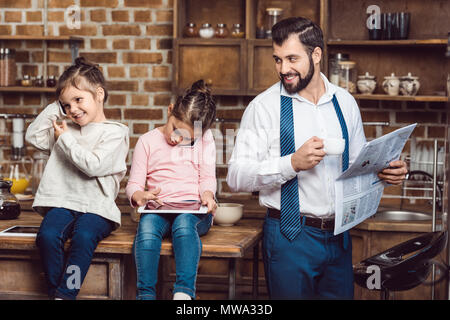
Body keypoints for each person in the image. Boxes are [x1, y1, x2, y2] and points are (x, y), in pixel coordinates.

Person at [226, 17, 408, 299]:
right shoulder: (263, 107)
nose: (283, 69)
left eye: (292, 59)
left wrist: (386, 171)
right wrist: (292, 163)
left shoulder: (344, 102)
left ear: (316, 54)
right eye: (277, 59)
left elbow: (359, 165)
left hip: (339, 237)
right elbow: (236, 176)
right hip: (289, 237)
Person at [25, 57, 129, 300]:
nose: (72, 110)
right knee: (48, 236)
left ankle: (66, 292)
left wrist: (65, 140)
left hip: (97, 208)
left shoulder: (115, 132)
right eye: (66, 105)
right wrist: (58, 104)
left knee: (83, 238)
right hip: (64, 204)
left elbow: (92, 166)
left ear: (99, 94)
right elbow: (33, 135)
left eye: (78, 100)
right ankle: (57, 294)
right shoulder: (65, 129)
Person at [126, 80, 217, 300]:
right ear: (169, 111)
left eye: (188, 139)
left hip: (193, 212)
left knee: (184, 225)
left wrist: (207, 195)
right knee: (146, 230)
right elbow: (134, 184)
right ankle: (145, 294)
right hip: (158, 210)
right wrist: (138, 196)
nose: (178, 140)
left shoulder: (205, 140)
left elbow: (206, 177)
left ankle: (184, 293)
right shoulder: (147, 142)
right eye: (176, 130)